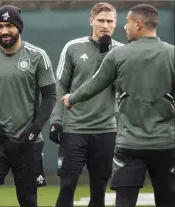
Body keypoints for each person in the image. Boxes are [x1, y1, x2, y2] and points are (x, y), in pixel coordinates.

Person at [62, 4, 175, 207]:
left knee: (124, 202)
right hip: (166, 144)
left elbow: (94, 85)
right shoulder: (172, 54)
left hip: (129, 146)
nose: (124, 27)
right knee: (168, 201)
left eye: (127, 23)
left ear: (138, 24)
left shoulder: (119, 54)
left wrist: (72, 99)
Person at [0, 5, 56, 207]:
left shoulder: (37, 56)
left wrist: (33, 131)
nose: (4, 31)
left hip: (28, 142)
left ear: (19, 27)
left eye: (9, 25)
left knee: (28, 200)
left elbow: (50, 96)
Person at [49, 2, 123, 207]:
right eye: (101, 20)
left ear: (116, 24)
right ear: (91, 21)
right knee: (66, 188)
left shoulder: (121, 51)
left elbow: (123, 89)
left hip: (106, 130)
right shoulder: (73, 47)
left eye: (109, 21)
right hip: (74, 129)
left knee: (99, 193)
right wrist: (56, 120)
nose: (105, 25)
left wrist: (108, 54)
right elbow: (60, 86)